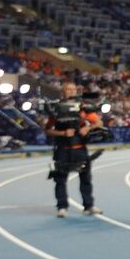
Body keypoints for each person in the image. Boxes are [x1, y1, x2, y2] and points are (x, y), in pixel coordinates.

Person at [44, 81, 101, 218]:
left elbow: (99, 122)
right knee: (60, 179)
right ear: (62, 92)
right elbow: (47, 130)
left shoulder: (82, 108)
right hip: (62, 149)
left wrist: (87, 127)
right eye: (68, 89)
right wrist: (62, 133)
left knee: (85, 178)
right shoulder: (56, 109)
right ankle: (62, 206)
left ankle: (88, 206)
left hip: (80, 148)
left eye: (74, 89)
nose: (71, 92)